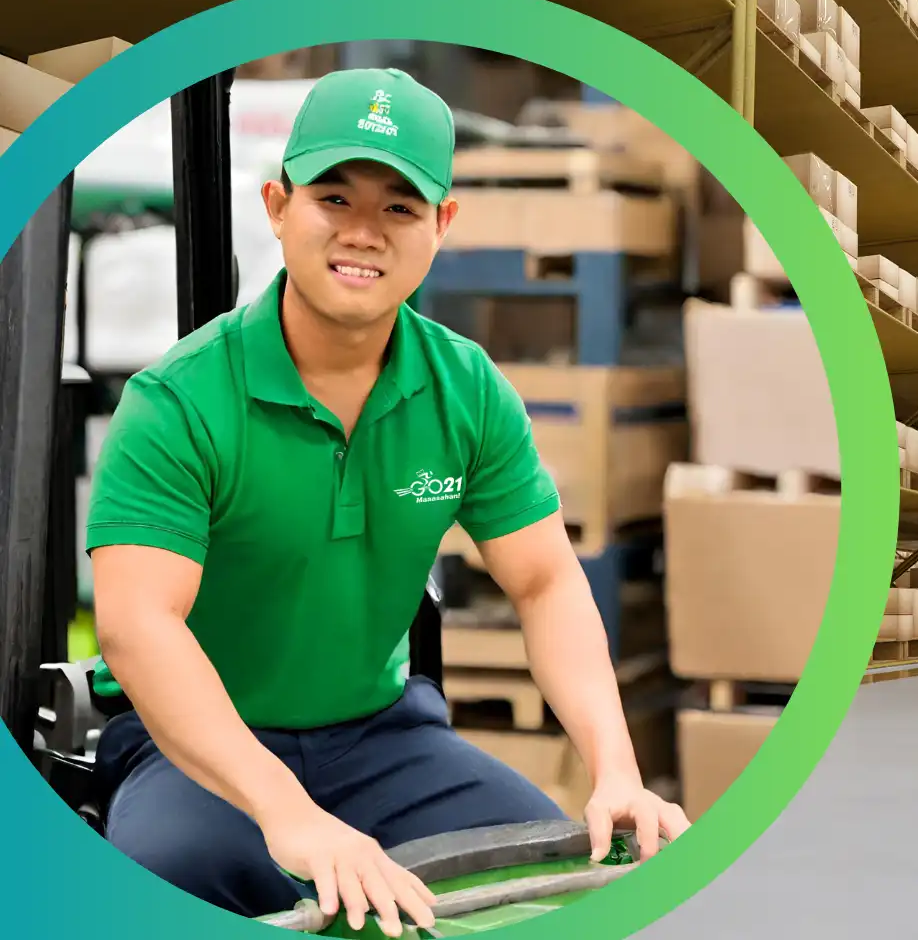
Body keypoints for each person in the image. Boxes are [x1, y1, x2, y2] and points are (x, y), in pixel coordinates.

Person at [85, 68, 688, 936]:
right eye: (335, 198)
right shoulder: (178, 402)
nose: (364, 232)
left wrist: (618, 771)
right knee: (157, 892)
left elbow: (546, 583)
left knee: (557, 878)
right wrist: (286, 811)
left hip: (384, 737)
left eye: (400, 207)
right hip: (199, 754)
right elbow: (139, 627)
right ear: (277, 205)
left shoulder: (465, 389)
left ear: (442, 226)